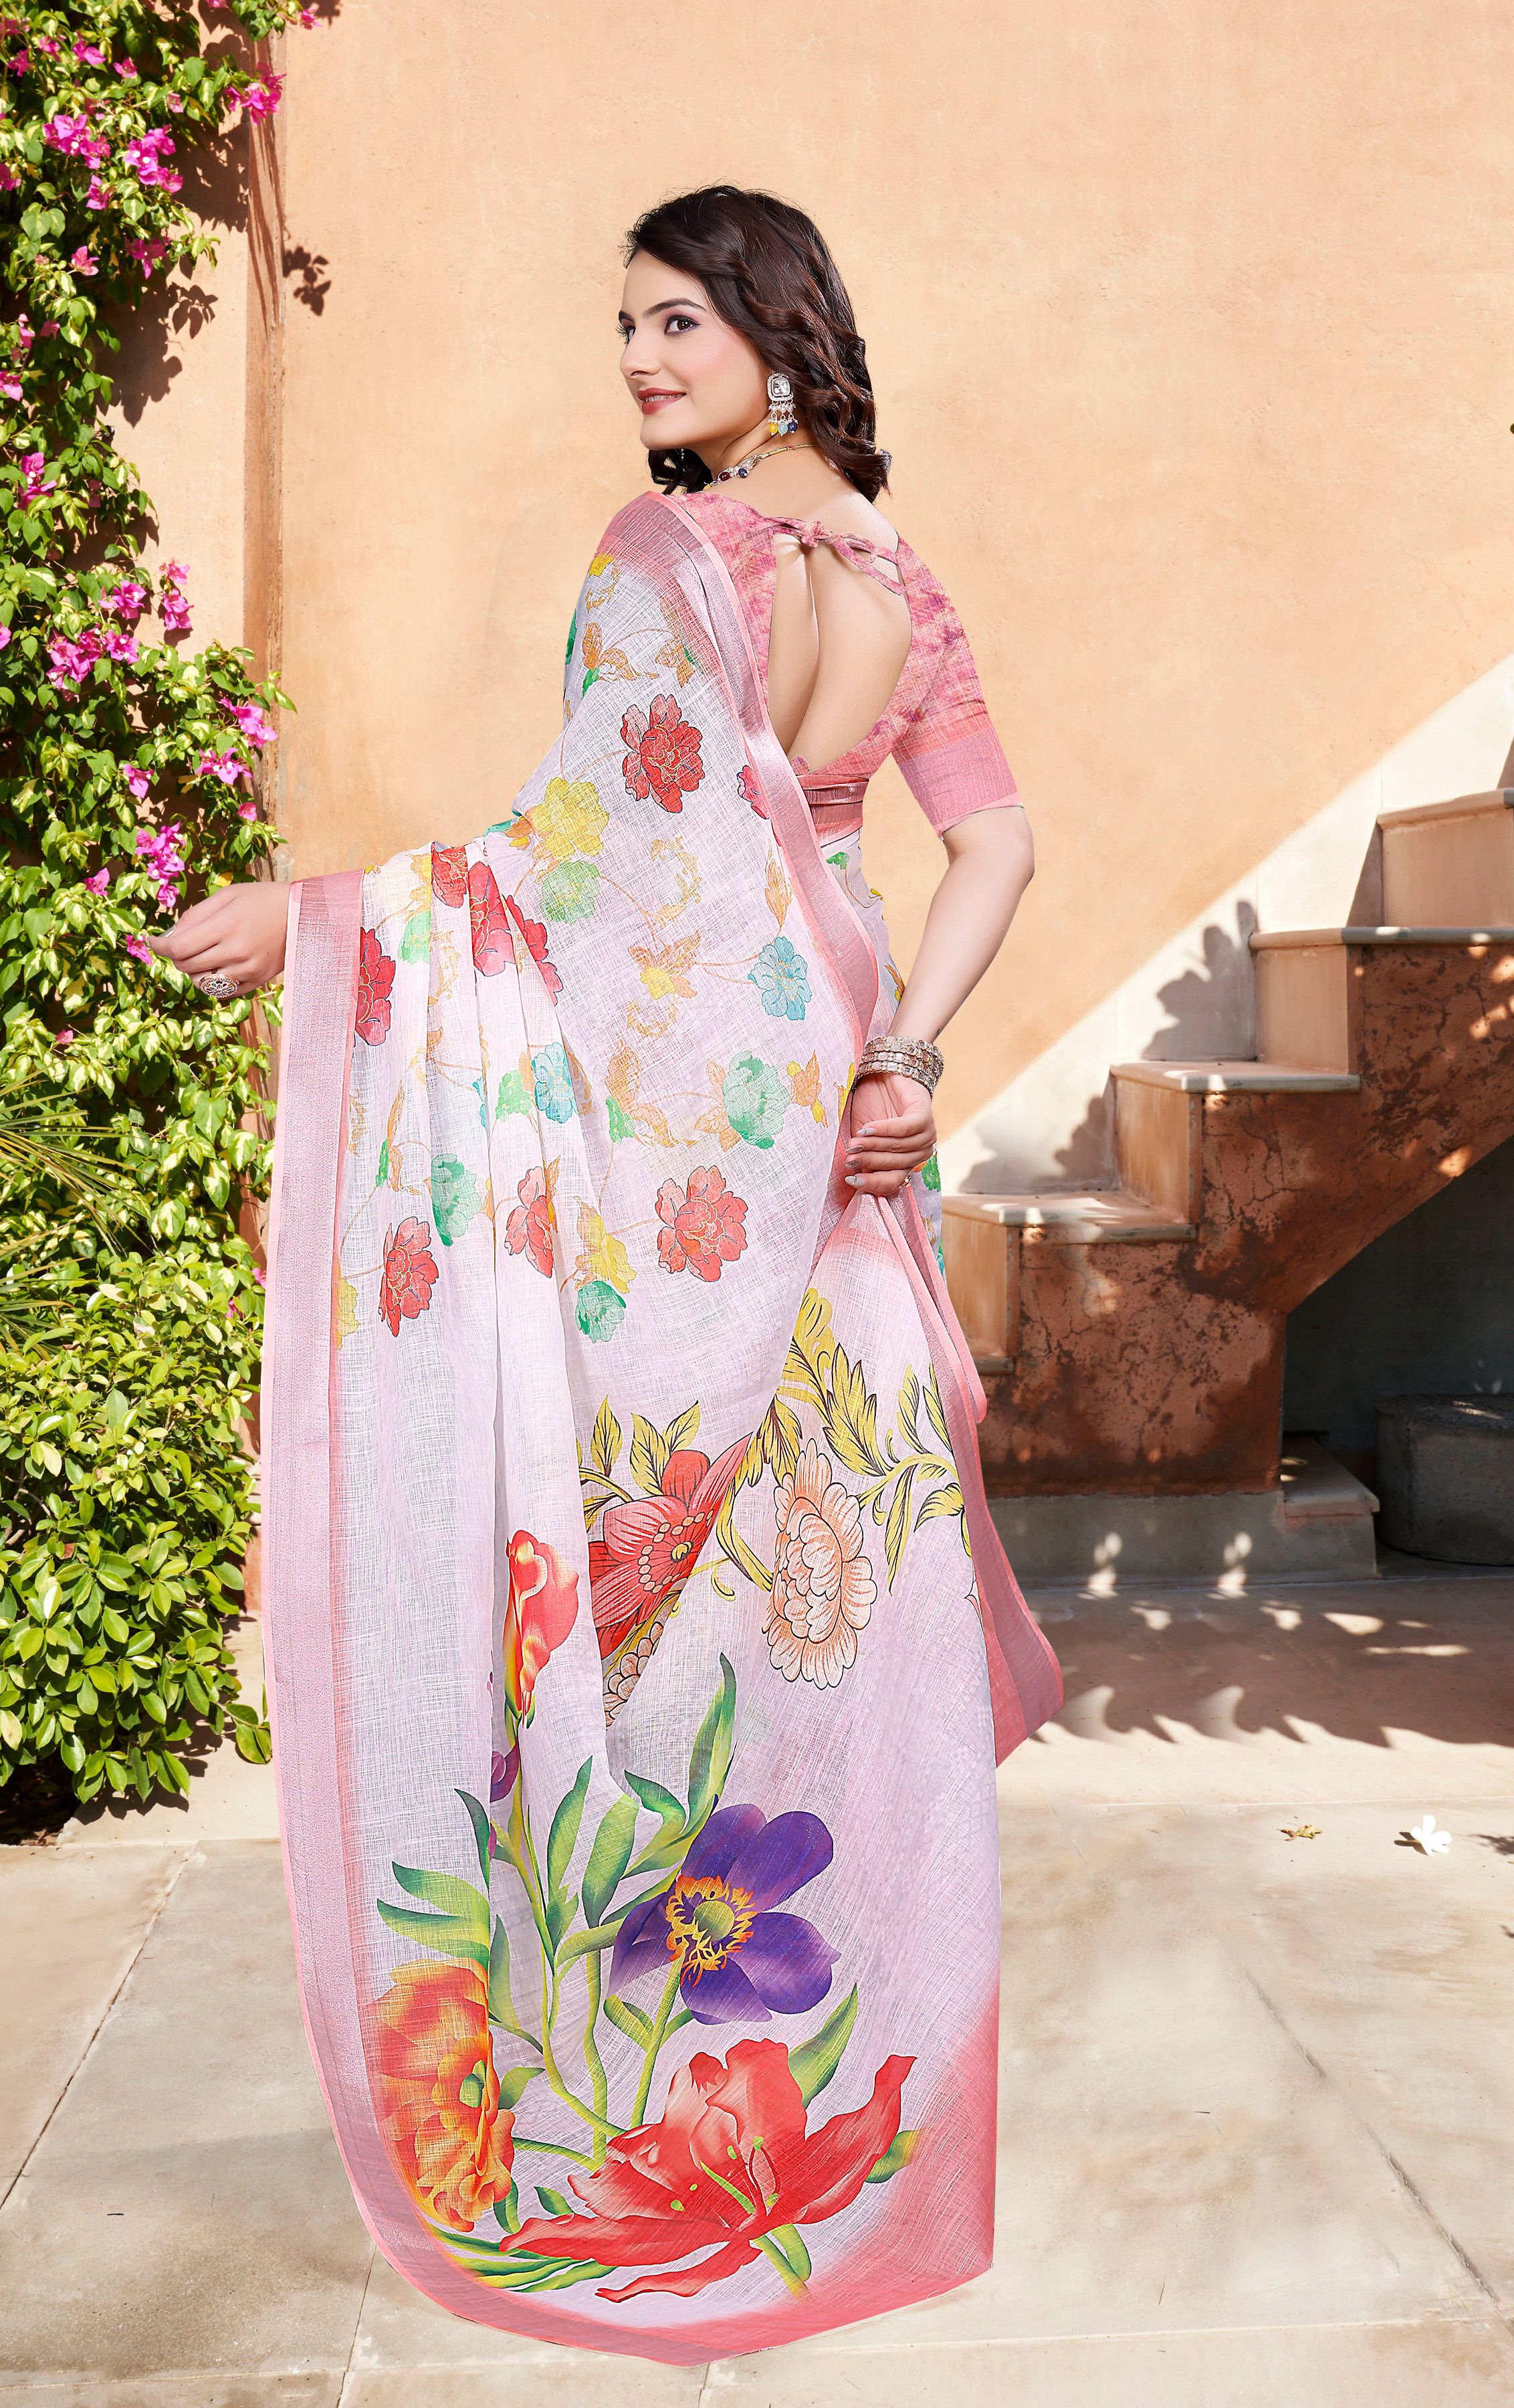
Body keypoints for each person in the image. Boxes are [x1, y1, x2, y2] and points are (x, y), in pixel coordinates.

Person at [155, 184, 1061, 2365]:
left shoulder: (674, 558)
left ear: (776, 326)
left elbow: (584, 862)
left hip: (711, 1144)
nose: (641, 362)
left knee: (679, 1610)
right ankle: (836, 2118)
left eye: (677, 323)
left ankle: (622, 2118)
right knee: (833, 1606)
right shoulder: (891, 571)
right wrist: (906, 1052)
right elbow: (987, 841)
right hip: (834, 1131)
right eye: (630, 327)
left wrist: (329, 919)